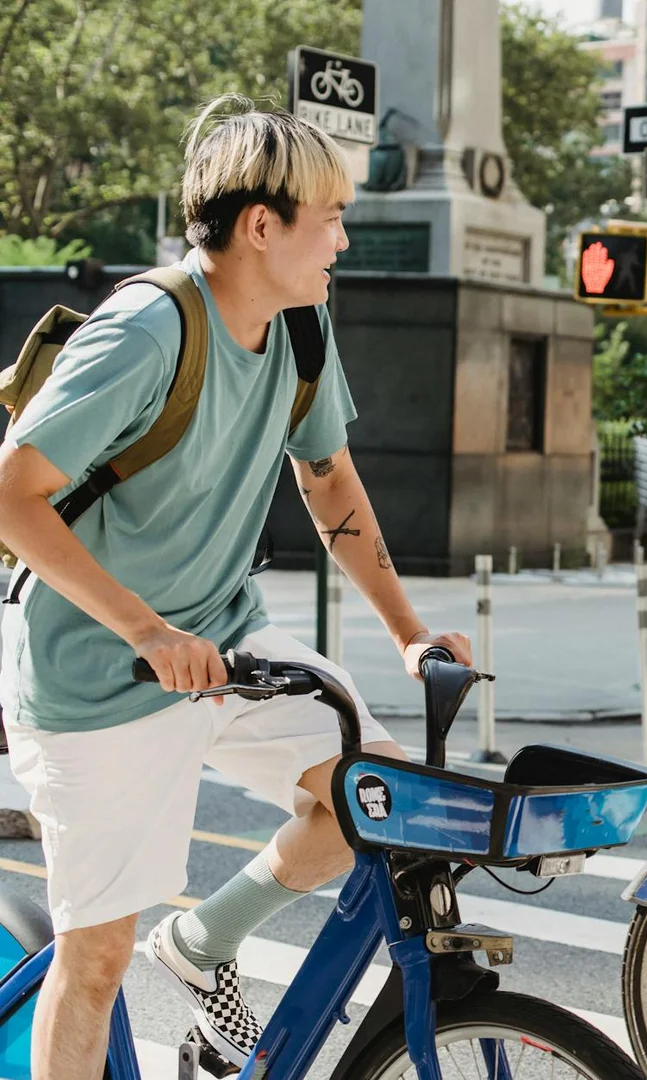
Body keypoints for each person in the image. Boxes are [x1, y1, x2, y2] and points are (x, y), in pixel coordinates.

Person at [0, 95, 472, 1077]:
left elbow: (329, 477)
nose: (344, 237)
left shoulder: (301, 327)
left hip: (225, 644)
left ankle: (206, 940)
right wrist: (147, 630)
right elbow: (12, 493)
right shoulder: (147, 332)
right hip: (93, 674)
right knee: (94, 958)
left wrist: (408, 633)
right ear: (263, 225)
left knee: (371, 799)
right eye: (331, 217)